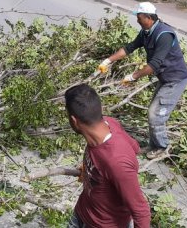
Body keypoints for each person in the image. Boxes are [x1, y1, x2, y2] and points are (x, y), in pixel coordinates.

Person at [97, 2, 187, 159]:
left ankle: (162, 147)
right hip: (165, 78)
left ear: (149, 17)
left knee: (155, 114)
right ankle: (154, 144)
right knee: (153, 111)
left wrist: (132, 77)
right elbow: (129, 48)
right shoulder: (146, 32)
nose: (137, 20)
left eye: (139, 18)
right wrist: (107, 60)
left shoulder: (164, 35)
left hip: (175, 79)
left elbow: (154, 65)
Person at [64, 84, 151, 228]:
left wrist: (114, 172)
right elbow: (135, 147)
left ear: (74, 120)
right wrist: (91, 172)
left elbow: (141, 211)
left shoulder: (116, 162)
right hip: (82, 213)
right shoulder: (108, 123)